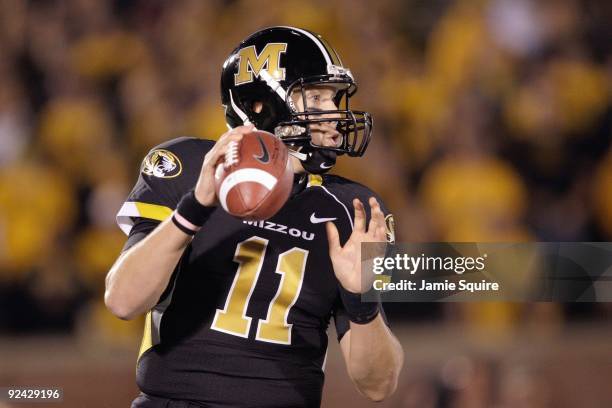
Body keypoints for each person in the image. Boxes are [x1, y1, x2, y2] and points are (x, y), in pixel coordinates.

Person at [105, 26, 403, 408]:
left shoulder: (351, 208)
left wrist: (363, 297)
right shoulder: (190, 167)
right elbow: (122, 301)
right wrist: (194, 209)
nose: (333, 115)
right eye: (315, 98)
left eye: (334, 99)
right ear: (260, 105)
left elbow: (378, 385)